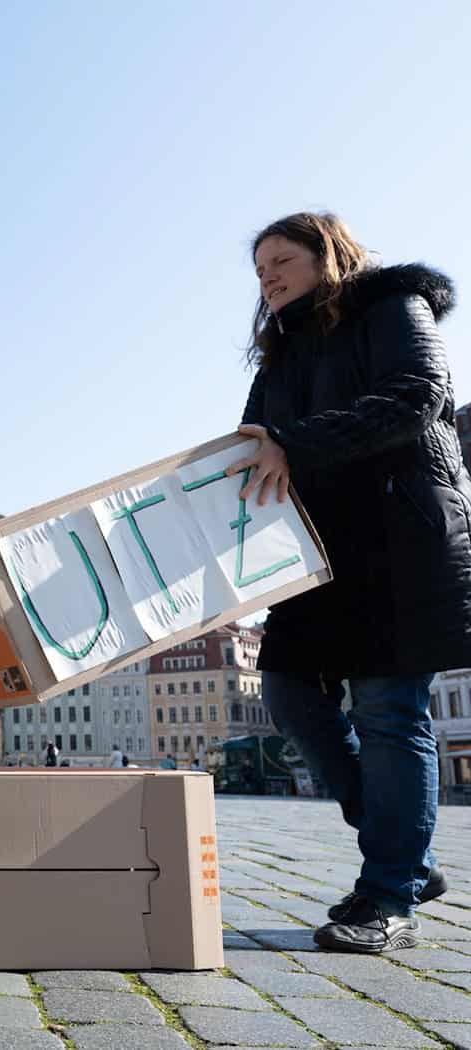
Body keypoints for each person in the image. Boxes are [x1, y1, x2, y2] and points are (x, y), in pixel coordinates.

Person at [230, 211, 471, 953]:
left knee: (389, 710)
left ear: (326, 255)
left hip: (401, 539)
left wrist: (292, 443)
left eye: (281, 260)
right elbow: (247, 450)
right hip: (315, 554)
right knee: (288, 693)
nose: (267, 275)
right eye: (260, 267)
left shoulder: (392, 305)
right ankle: (409, 850)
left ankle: (386, 897)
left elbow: (421, 394)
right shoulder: (277, 355)